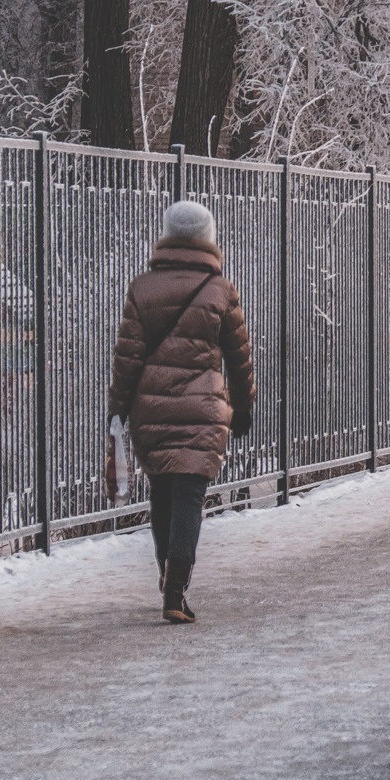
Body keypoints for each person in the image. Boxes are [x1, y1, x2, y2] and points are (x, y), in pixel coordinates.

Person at [107, 201, 255, 624]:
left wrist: (117, 412)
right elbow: (238, 356)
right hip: (203, 408)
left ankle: (166, 575)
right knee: (190, 495)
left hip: (150, 410)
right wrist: (243, 406)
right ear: (208, 237)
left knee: (163, 496)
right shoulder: (220, 290)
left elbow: (127, 359)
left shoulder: (142, 288)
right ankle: (176, 587)